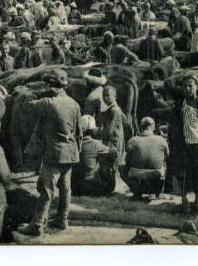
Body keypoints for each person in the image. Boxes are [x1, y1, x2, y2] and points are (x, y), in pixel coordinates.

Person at [18, 72, 82, 235]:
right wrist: (76, 151)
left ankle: (37, 225)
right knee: (66, 188)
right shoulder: (74, 104)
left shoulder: (47, 102)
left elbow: (26, 105)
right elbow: (79, 133)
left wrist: (37, 92)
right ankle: (62, 219)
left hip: (54, 153)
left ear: (51, 86)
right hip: (70, 152)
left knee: (47, 189)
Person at [168, 74, 198, 215]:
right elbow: (172, 124)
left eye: (190, 85)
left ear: (196, 86)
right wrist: (173, 140)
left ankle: (197, 201)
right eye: (185, 86)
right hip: (183, 145)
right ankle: (184, 201)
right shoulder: (178, 105)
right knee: (183, 173)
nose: (188, 88)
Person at [121, 117, 169, 200]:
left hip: (137, 173)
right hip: (156, 173)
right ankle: (159, 192)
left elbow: (127, 160)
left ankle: (137, 192)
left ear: (140, 127)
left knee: (121, 167)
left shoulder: (132, 140)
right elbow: (167, 156)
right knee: (164, 163)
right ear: (153, 127)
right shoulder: (162, 140)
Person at [72, 115, 117, 196]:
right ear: (92, 131)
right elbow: (114, 152)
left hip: (75, 186)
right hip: (90, 185)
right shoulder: (95, 144)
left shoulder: (73, 143)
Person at [97, 86, 126, 163]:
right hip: (115, 139)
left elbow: (111, 130)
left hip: (113, 141)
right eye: (104, 95)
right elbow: (125, 120)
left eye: (108, 95)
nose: (105, 98)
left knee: (111, 164)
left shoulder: (114, 110)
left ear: (115, 96)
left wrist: (99, 134)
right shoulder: (115, 108)